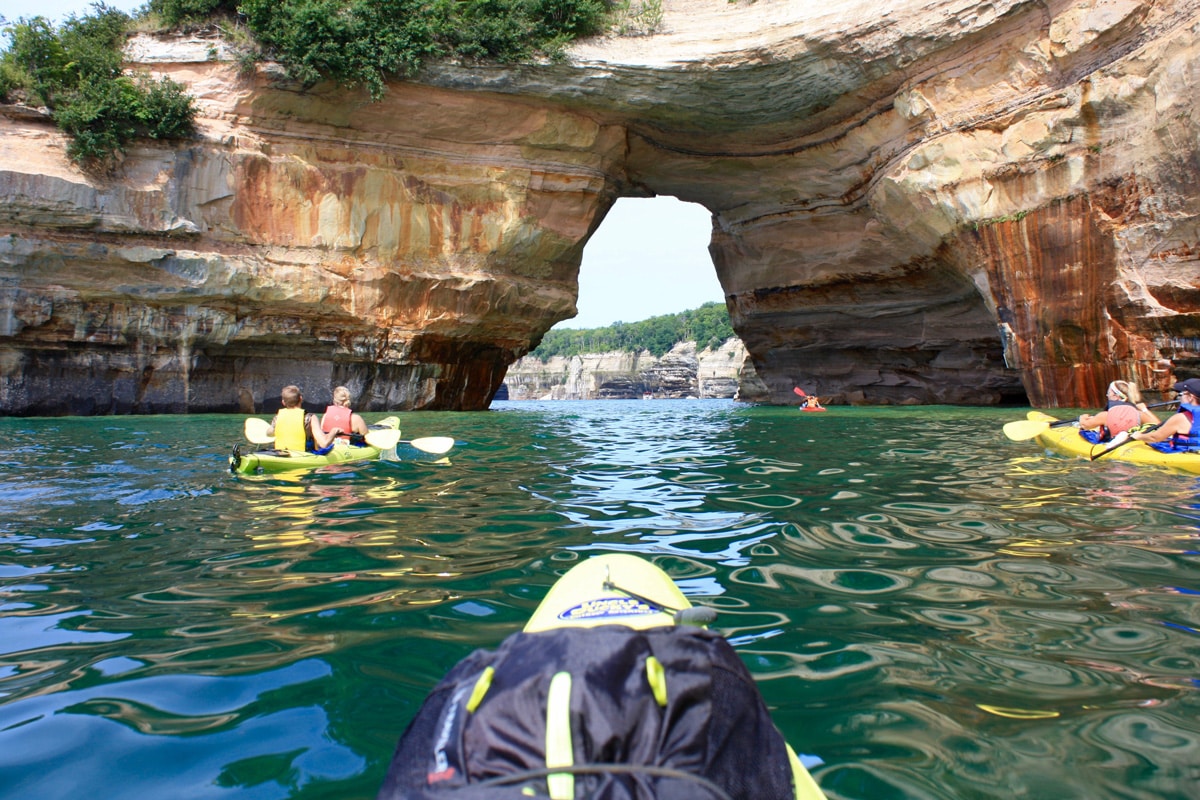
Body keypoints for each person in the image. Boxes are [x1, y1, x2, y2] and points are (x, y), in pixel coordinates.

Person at [265, 385, 342, 453]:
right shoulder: (310, 417)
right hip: (305, 455)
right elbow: (324, 443)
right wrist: (334, 431)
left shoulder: (278, 417)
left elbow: (269, 433)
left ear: (283, 402)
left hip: (281, 454)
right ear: (301, 399)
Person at [1130, 378, 1200, 451]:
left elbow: (1155, 438)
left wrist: (1139, 436)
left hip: (1186, 454)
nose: (1180, 397)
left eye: (1181, 394)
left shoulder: (1181, 417)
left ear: (1191, 397)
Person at [1077, 380, 1158, 441]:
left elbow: (1085, 425)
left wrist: (1082, 417)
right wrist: (1144, 409)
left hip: (1114, 445)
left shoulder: (1105, 415)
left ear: (1115, 396)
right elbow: (1157, 424)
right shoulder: (1139, 414)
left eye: (1108, 393)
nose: (1107, 395)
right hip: (1133, 443)